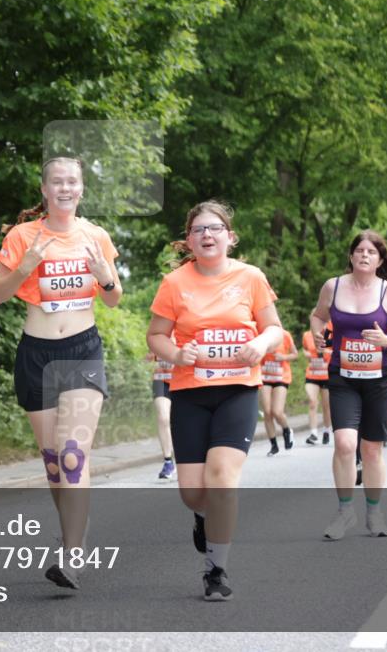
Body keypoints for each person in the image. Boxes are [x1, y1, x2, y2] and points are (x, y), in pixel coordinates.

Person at [0, 157, 122, 590]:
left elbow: (114, 299)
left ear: (81, 189)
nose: (65, 187)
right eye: (56, 181)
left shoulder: (95, 235)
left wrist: (105, 279)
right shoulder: (22, 236)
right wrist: (24, 268)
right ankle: (72, 539)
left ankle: (73, 554)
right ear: (44, 189)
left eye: (72, 181)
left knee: (71, 453)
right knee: (52, 464)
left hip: (81, 350)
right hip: (36, 353)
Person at [147, 200, 283, 601]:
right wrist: (175, 354)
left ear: (230, 236)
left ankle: (216, 570)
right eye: (198, 230)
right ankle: (202, 517)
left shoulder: (251, 277)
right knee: (193, 492)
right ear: (189, 240)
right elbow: (155, 336)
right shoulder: (175, 283)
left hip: (238, 391)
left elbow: (274, 328)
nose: (207, 235)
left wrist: (260, 343)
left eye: (215, 228)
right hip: (190, 393)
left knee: (222, 478)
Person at [309, 230, 387, 541]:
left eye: (372, 252)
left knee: (371, 449)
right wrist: (318, 334)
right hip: (343, 376)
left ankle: (374, 511)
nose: (365, 255)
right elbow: (317, 316)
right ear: (352, 256)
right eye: (360, 250)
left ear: (380, 259)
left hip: (380, 379)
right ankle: (344, 512)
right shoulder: (334, 286)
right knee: (344, 444)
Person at [260, 329, 298, 455]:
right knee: (267, 411)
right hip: (265, 376)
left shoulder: (285, 335)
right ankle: (274, 445)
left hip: (281, 377)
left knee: (277, 411)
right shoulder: (260, 335)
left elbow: (295, 354)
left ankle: (286, 430)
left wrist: (284, 357)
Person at [303, 325, 333, 446]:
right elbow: (305, 349)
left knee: (326, 406)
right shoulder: (307, 335)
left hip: (326, 375)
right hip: (312, 374)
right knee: (312, 401)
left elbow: (337, 350)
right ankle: (314, 433)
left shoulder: (330, 334)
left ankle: (326, 430)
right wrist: (307, 354)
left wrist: (325, 351)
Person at [148, 348, 177, 479]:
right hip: (162, 377)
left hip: (184, 379)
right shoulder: (158, 329)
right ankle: (168, 462)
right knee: (163, 417)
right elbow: (151, 355)